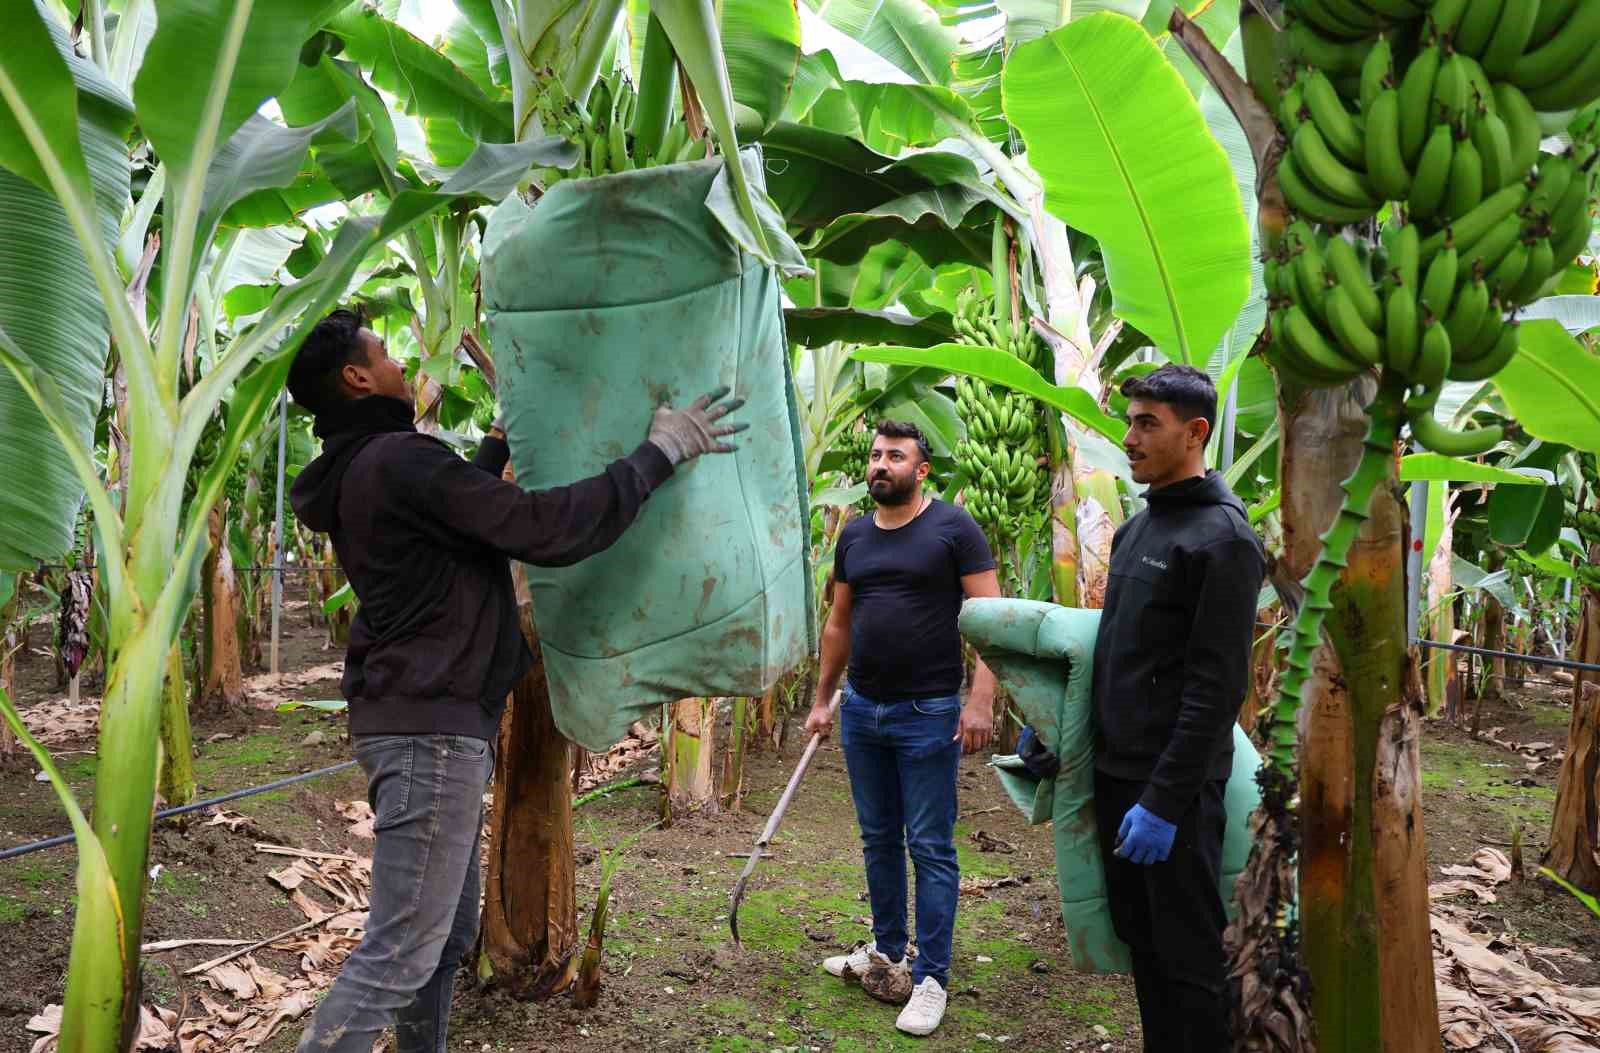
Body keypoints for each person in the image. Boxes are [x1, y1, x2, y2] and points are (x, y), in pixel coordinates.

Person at [285, 309, 745, 1053]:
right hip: (431, 731)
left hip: (421, 719)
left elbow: (452, 517)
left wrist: (496, 441)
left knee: (445, 936)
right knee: (402, 946)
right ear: (356, 376)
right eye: (386, 353)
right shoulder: (399, 458)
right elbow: (543, 528)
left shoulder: (366, 465)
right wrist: (658, 453)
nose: (402, 365)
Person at [804, 419, 1001, 1037]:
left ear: (922, 470)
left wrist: (980, 701)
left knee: (932, 847)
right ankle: (887, 953)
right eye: (875, 455)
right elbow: (840, 623)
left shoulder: (953, 529)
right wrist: (822, 699)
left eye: (895, 456)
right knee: (878, 839)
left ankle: (932, 976)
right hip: (863, 709)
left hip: (930, 713)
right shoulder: (855, 535)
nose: (880, 464)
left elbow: (991, 619)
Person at [1090, 364, 1266, 1053]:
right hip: (1117, 775)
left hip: (1174, 793)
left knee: (1190, 957)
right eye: (1129, 419)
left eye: (1146, 423)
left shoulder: (1221, 540)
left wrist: (1165, 800)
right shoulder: (1137, 531)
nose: (1128, 436)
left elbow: (1216, 687)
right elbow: (1116, 651)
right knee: (1145, 944)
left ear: (1195, 433)